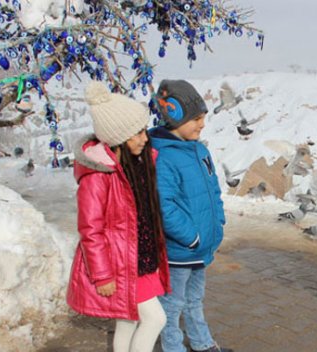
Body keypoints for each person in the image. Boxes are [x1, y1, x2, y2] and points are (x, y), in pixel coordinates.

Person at [67, 81, 171, 352]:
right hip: (121, 265)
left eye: (144, 131)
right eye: (137, 134)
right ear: (118, 138)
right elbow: (91, 230)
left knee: (128, 321)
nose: (144, 138)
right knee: (156, 318)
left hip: (139, 260)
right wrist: (102, 276)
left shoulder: (137, 166)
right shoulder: (98, 176)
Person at [149, 80, 230, 352]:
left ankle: (202, 343)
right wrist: (191, 237)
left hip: (200, 246)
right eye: (196, 118)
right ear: (174, 117)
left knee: (196, 299)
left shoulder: (199, 150)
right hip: (180, 250)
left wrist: (218, 222)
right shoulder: (164, 156)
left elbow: (214, 190)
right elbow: (165, 205)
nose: (202, 124)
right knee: (171, 306)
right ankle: (173, 348)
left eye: (204, 117)